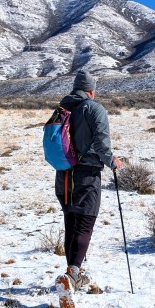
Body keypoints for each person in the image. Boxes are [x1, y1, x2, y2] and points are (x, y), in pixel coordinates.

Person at [54, 71, 122, 291]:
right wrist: (112, 161)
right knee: (84, 223)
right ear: (90, 90)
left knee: (71, 223)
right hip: (86, 175)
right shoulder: (94, 108)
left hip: (63, 175)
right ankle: (72, 275)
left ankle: (74, 273)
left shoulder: (62, 108)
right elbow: (103, 144)